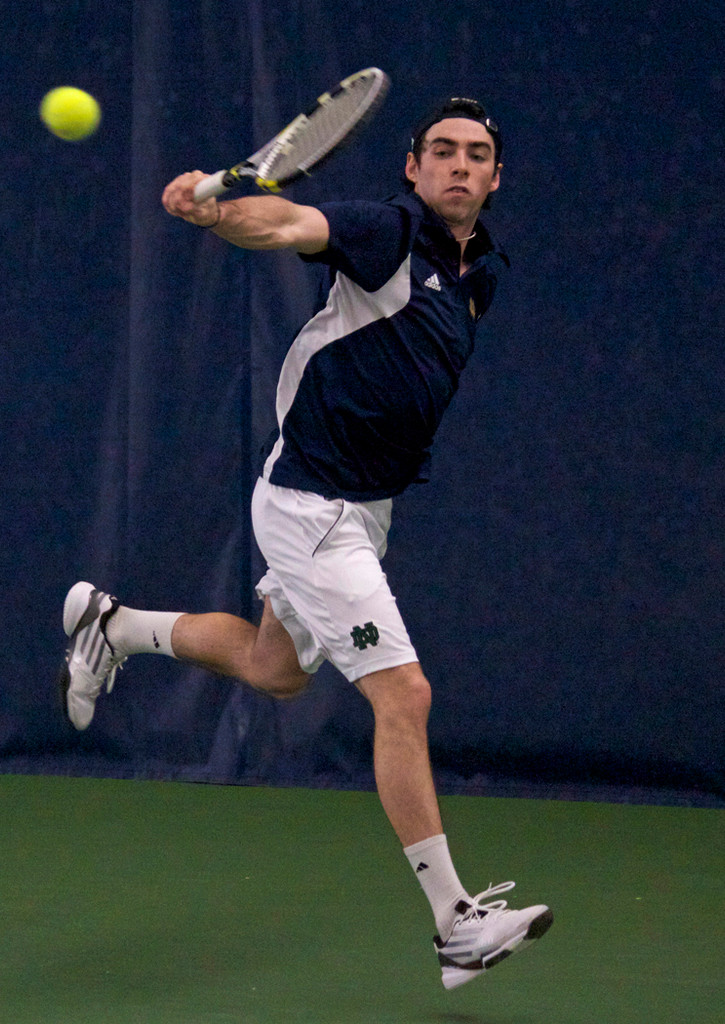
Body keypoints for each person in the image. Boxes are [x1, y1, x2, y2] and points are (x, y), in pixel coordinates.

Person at [58, 96, 553, 990]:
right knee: (403, 694)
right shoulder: (385, 232)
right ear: (411, 168)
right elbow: (284, 221)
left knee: (273, 668)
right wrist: (217, 211)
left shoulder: (481, 273)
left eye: (474, 155)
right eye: (439, 151)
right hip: (311, 508)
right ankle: (455, 925)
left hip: (366, 509)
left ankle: (114, 625)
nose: (456, 165)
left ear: (493, 176)